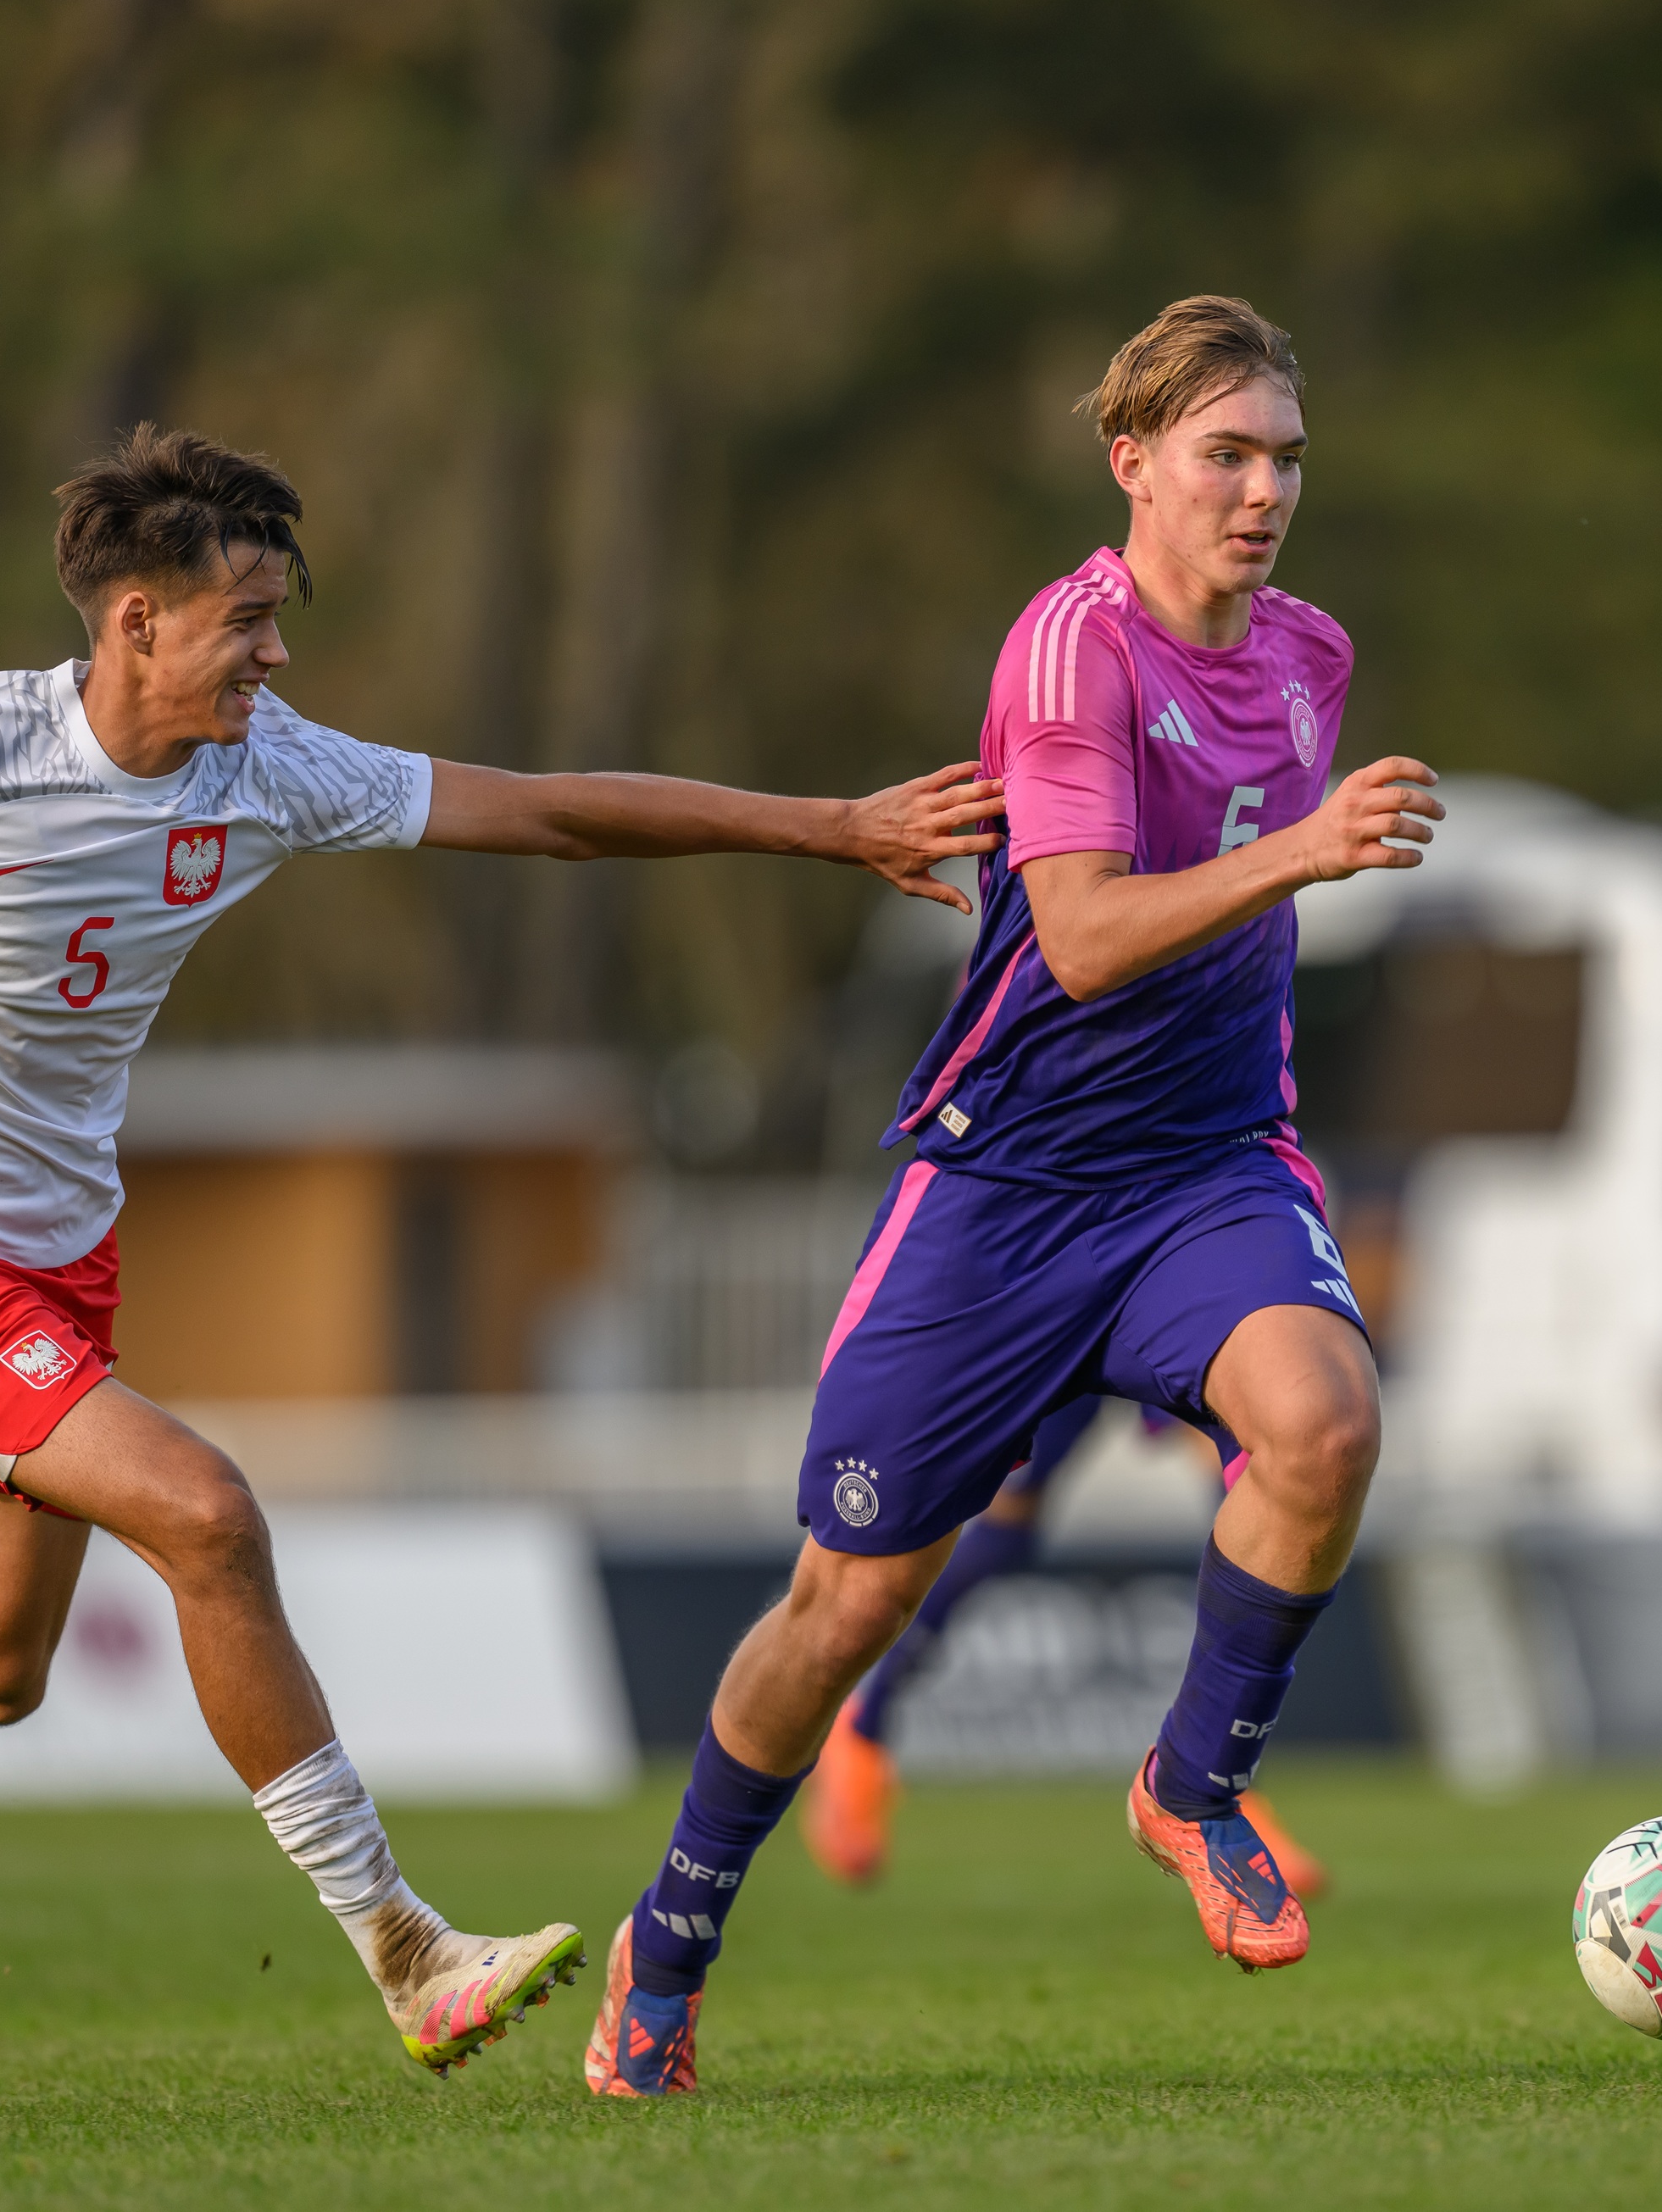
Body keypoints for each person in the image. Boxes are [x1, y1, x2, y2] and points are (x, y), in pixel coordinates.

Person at [0, 425, 1005, 2076]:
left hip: (57, 1260)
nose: (276, 651)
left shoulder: (269, 768)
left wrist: (828, 827)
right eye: (245, 619)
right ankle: (404, 1949)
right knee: (206, 1512)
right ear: (135, 627)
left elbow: (545, 818)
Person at [581, 294, 1442, 2098]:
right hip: (1008, 1189)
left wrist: (1294, 855)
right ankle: (666, 1950)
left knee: (1326, 1426)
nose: (1263, 489)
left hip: (1207, 1165)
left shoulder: (1309, 654)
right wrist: (1303, 850)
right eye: (1227, 453)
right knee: (840, 1610)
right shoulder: (1071, 655)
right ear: (1130, 462)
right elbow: (1081, 933)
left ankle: (1189, 1790)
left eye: (1285, 456)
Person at [799, 1393, 1331, 1898]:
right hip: (1061, 1299)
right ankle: (862, 1736)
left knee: (1236, 1456)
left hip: (1158, 1296)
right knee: (1008, 1520)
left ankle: (1216, 1792)